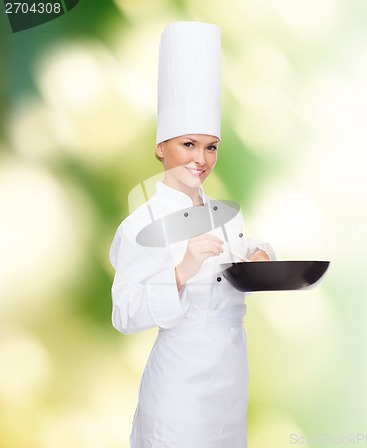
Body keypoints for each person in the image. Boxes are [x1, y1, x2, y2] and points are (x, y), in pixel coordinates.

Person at [109, 22, 274, 448]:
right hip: (180, 390)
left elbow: (237, 254)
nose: (201, 159)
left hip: (231, 382)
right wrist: (181, 271)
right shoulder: (141, 224)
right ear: (161, 145)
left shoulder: (225, 215)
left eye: (211, 146)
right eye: (188, 144)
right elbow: (124, 314)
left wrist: (257, 255)